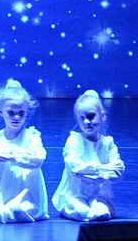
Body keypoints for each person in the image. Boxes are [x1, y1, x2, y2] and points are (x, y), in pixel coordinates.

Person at [0, 78, 49, 222]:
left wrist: (10, 156)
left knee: (19, 209)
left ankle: (14, 210)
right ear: (1, 112)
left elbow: (38, 159)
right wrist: (13, 155)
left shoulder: (31, 136)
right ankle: (3, 210)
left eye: (21, 113)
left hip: (25, 190)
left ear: (27, 113)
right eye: (11, 112)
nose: (16, 117)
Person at [51, 89, 124, 221]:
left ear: (102, 116)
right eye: (82, 118)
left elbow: (118, 169)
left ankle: (95, 206)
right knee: (82, 211)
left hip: (99, 195)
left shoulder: (107, 143)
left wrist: (92, 172)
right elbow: (75, 166)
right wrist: (102, 170)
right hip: (75, 195)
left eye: (90, 116)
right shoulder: (74, 141)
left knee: (101, 212)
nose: (86, 122)